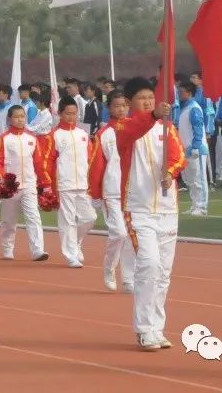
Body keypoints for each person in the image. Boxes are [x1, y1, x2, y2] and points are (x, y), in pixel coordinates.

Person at [113, 77, 187, 351]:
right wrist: (152, 116)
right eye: (142, 98)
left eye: (150, 98)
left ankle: (157, 327)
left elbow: (179, 156)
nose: (147, 102)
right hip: (138, 208)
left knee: (164, 273)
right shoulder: (125, 127)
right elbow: (131, 131)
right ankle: (144, 328)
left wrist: (170, 172)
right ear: (131, 102)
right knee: (149, 264)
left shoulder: (167, 129)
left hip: (167, 209)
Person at [87, 89, 135, 292]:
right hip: (112, 190)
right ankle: (109, 268)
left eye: (124, 105)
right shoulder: (104, 133)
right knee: (118, 233)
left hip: (134, 191)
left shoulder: (137, 129)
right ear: (109, 108)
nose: (121, 109)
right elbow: (96, 164)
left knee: (132, 236)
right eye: (116, 106)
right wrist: (96, 194)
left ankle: (129, 278)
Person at [41, 99, 95, 268]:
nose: (72, 117)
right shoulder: (53, 136)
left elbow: (90, 159)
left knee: (90, 218)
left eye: (75, 113)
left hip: (83, 183)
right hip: (64, 184)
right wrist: (47, 184)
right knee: (68, 220)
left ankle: (76, 242)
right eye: (68, 113)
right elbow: (47, 162)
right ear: (60, 114)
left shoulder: (83, 135)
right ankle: (70, 254)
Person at [0, 105, 48, 262]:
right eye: (16, 116)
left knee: (33, 216)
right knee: (9, 220)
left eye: (22, 116)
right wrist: (2, 178)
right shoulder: (4, 138)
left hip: (29, 184)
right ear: (9, 119)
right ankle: (7, 248)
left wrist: (45, 182)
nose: (20, 119)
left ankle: (38, 250)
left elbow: (39, 163)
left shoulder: (32, 139)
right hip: (10, 186)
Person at [177, 81, 210, 217]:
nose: (179, 94)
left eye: (181, 92)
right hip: (186, 149)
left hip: (196, 150)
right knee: (190, 180)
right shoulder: (184, 108)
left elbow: (198, 127)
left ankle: (201, 206)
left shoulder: (194, 108)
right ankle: (195, 204)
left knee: (199, 179)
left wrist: (196, 146)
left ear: (189, 93)